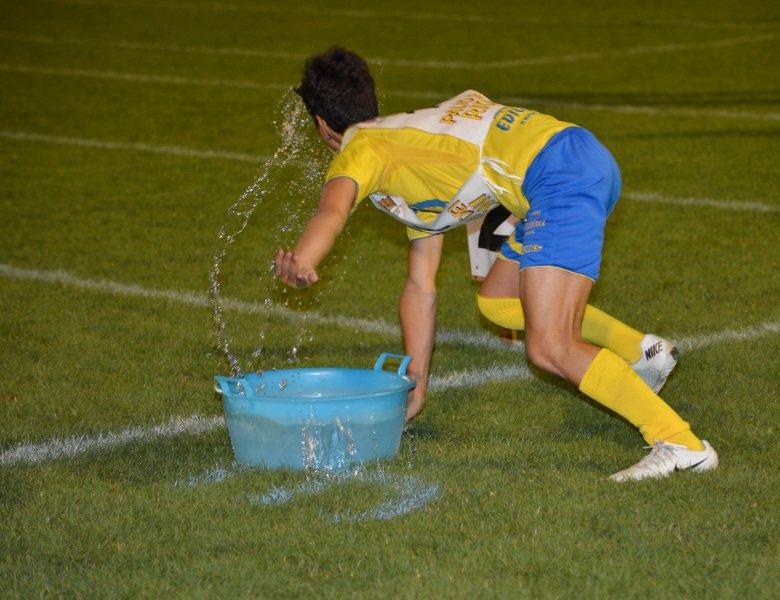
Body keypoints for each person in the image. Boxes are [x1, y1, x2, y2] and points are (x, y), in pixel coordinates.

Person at [274, 47, 718, 482]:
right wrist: (418, 381)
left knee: (548, 346)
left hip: (557, 178)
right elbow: (420, 285)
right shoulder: (406, 144)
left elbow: (330, 213)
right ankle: (644, 352)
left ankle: (681, 444)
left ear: (321, 124)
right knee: (499, 301)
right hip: (574, 158)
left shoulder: (360, 149)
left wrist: (305, 261)